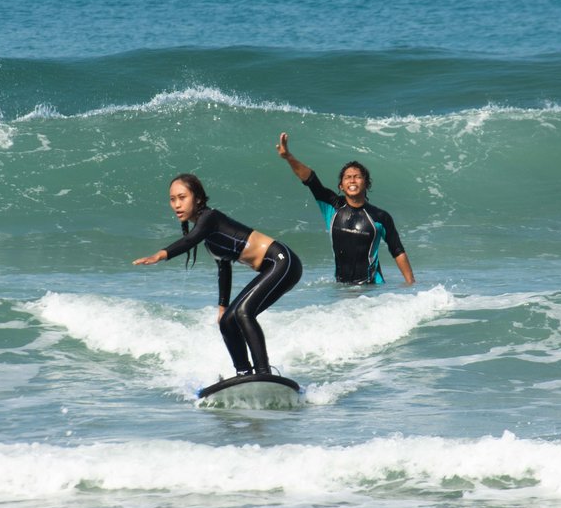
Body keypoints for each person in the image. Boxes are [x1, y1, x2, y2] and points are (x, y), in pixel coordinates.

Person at [133, 173, 302, 376]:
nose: (177, 204)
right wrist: (222, 307)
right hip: (272, 267)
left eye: (182, 197)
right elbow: (224, 268)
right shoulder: (209, 235)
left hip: (282, 262)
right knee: (227, 322)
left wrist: (160, 255)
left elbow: (189, 241)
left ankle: (264, 373)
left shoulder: (210, 218)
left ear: (197, 198)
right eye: (172, 199)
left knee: (243, 313)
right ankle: (244, 373)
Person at [275, 132, 415, 285]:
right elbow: (310, 180)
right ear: (341, 186)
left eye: (357, 176)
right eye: (348, 177)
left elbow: (397, 250)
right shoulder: (332, 206)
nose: (352, 179)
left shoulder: (380, 217)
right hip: (342, 289)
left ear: (366, 184)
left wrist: (410, 284)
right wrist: (289, 157)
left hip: (373, 289)